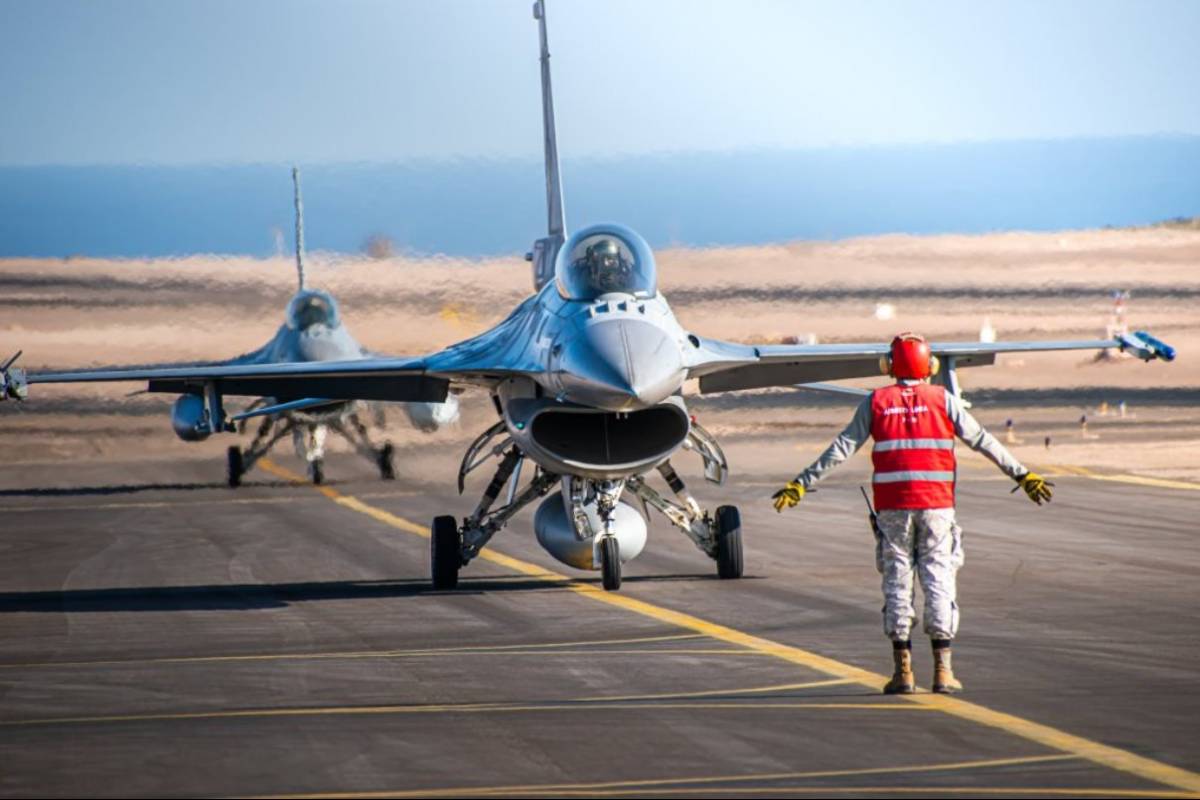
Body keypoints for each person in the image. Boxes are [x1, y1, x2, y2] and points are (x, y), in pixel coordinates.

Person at [771, 332, 1053, 694]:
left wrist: (801, 483)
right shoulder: (942, 399)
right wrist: (1022, 473)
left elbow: (841, 448)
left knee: (896, 583)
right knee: (939, 579)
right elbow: (983, 440)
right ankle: (943, 671)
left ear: (889, 366)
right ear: (930, 365)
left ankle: (902, 673)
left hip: (893, 510)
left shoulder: (876, 402)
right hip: (936, 507)